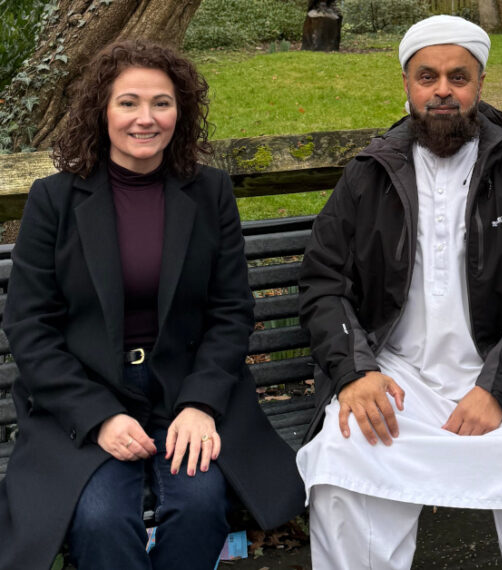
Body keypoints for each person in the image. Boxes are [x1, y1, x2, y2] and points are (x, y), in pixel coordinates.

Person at [297, 15, 502, 570]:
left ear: (479, 84)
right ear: (407, 84)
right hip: (394, 373)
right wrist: (355, 371)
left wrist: (498, 388)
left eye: (458, 77)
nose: (443, 90)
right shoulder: (369, 174)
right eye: (427, 77)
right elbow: (323, 284)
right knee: (344, 465)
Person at [0, 39, 305, 570]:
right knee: (100, 519)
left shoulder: (208, 193)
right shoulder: (55, 199)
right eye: (129, 102)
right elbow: (30, 326)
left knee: (200, 504)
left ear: (179, 112)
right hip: (85, 393)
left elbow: (231, 311)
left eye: (161, 103)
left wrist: (202, 403)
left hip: (184, 389)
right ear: (102, 110)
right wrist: (98, 417)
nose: (146, 118)